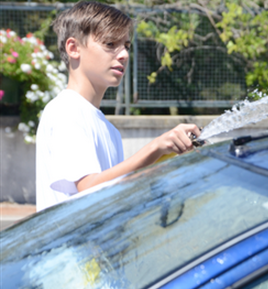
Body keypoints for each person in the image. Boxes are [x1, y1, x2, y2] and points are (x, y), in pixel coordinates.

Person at [36, 1, 200, 211]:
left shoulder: (107, 128)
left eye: (126, 46)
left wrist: (167, 159)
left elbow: (112, 193)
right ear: (73, 48)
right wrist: (156, 146)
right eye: (110, 44)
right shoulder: (66, 111)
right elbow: (88, 189)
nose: (123, 54)